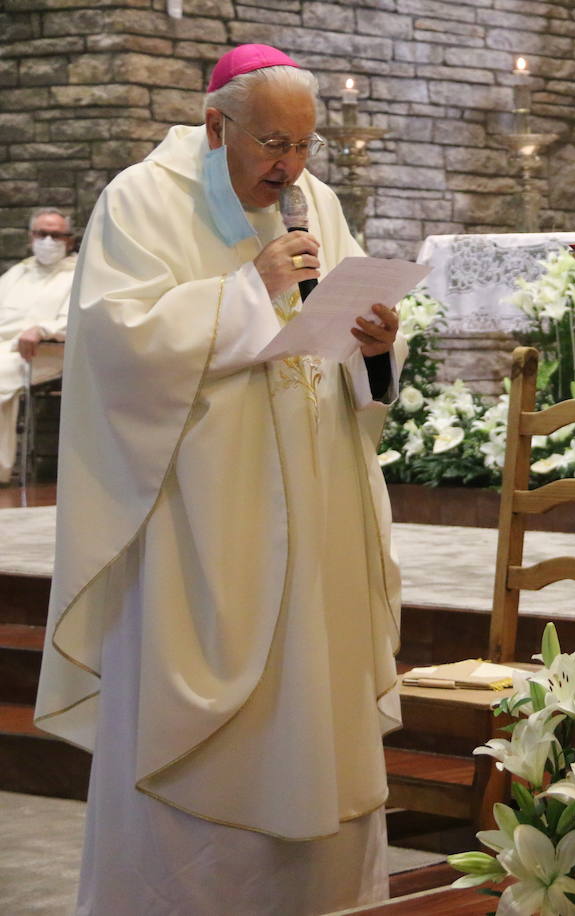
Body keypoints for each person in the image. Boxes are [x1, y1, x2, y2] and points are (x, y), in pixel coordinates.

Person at [34, 45, 407, 915]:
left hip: (315, 508)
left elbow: (350, 348)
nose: (291, 166)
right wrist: (248, 291)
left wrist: (378, 347)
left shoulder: (318, 203)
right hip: (197, 520)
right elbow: (116, 348)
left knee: (313, 708)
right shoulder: (140, 200)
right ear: (216, 125)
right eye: (274, 143)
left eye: (306, 146)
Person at [0, 207, 77, 484]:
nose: (48, 241)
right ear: (31, 237)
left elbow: (79, 320)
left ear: (69, 240)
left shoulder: (79, 274)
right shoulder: (17, 273)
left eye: (56, 235)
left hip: (46, 351)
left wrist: (42, 329)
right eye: (42, 234)